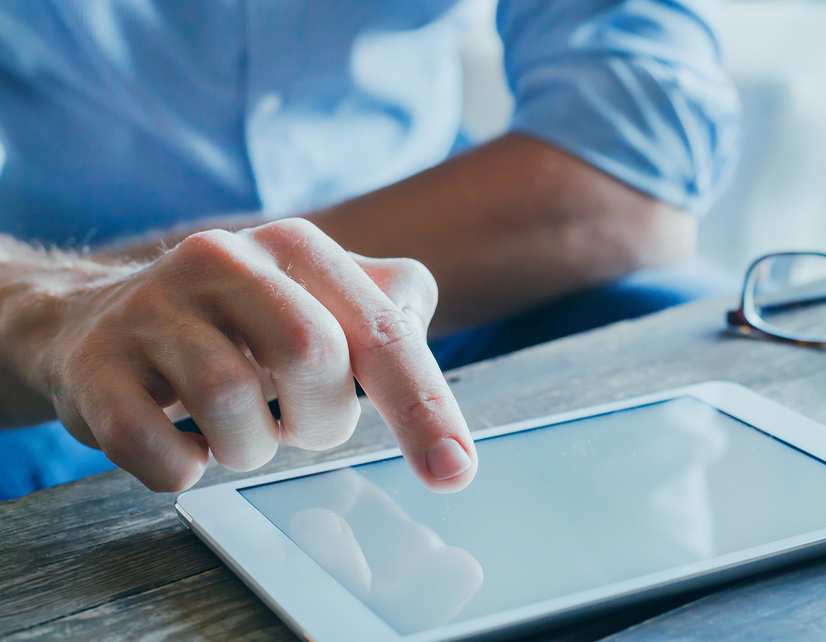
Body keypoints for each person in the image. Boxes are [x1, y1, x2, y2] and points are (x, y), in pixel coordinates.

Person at [0, 0, 739, 500]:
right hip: (79, 322)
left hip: (463, 277)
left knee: (695, 333)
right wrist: (52, 306)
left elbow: (636, 158)